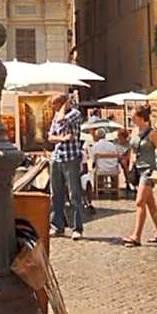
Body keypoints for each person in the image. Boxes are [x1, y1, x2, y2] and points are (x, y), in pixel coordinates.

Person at [123, 105, 157, 248]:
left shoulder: (152, 134)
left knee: (139, 202)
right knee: (150, 204)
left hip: (148, 171)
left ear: (141, 117)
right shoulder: (135, 131)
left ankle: (136, 236)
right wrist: (130, 166)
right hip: (138, 170)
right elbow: (132, 149)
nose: (131, 117)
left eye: (133, 115)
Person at [48, 91, 85, 240]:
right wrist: (62, 138)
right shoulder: (56, 115)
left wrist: (64, 106)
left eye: (55, 104)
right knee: (56, 194)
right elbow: (50, 137)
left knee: (74, 194)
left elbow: (63, 119)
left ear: (62, 104)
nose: (53, 108)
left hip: (71, 158)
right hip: (57, 157)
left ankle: (77, 228)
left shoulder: (75, 113)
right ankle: (57, 226)